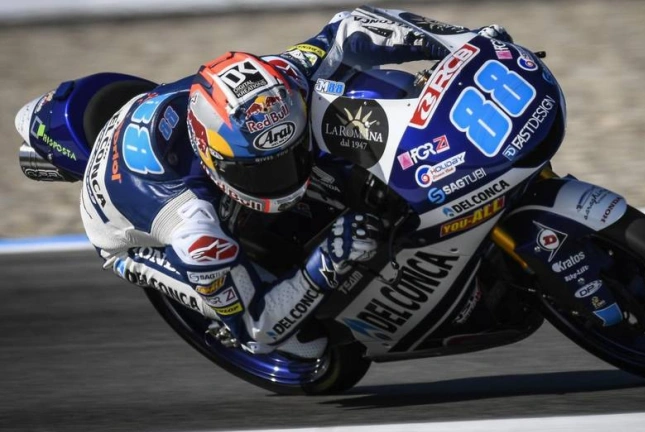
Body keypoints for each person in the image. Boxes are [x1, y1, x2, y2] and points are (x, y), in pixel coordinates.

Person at [78, 7, 512, 358]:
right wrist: (326, 262)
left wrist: (459, 42)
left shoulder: (280, 79)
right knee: (301, 344)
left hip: (167, 120)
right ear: (214, 158)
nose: (282, 179)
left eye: (290, 157)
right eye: (261, 172)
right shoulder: (191, 223)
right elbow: (259, 329)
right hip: (127, 234)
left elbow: (350, 28)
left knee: (342, 94)